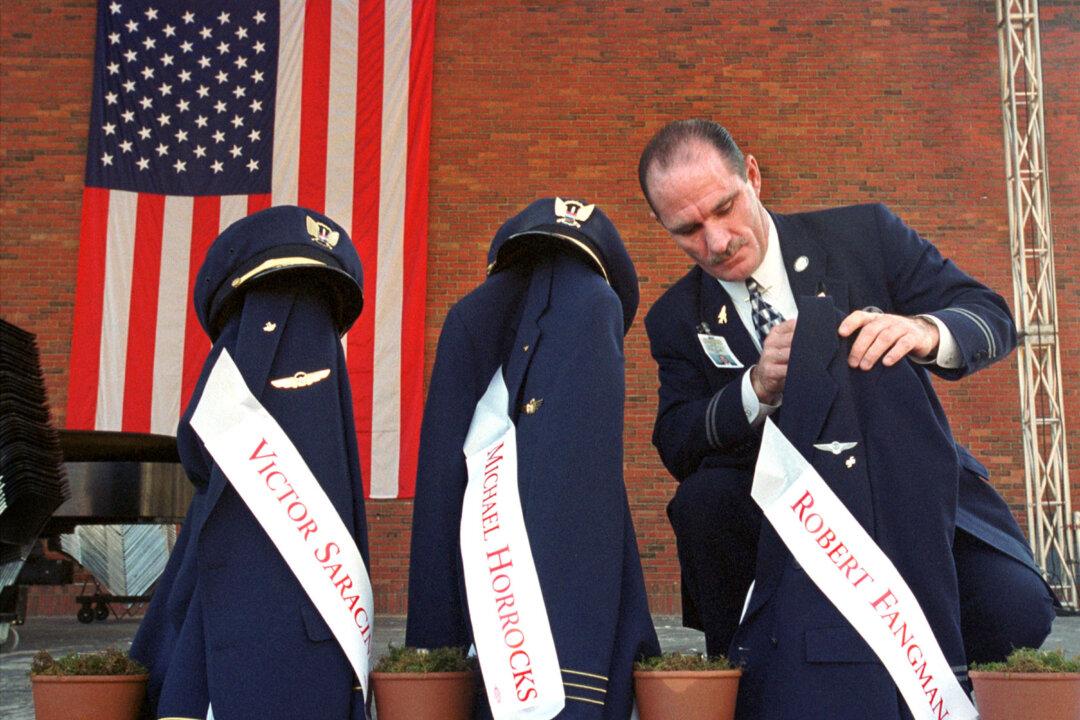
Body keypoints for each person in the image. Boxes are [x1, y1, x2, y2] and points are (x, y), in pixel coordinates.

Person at [638, 120, 1055, 705]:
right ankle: (757, 684)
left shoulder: (865, 233)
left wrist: (921, 332)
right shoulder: (675, 317)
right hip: (777, 522)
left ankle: (930, 686)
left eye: (725, 208)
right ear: (663, 228)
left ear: (753, 176)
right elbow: (677, 440)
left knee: (1016, 613)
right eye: (688, 230)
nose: (716, 242)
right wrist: (755, 387)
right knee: (704, 502)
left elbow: (990, 315)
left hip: (902, 482)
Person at [407, 197, 660, 719]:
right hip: (571, 668)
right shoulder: (596, 306)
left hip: (469, 658)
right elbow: (589, 512)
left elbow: (438, 500)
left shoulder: (471, 319)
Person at [130, 206, 371, 720]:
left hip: (243, 628)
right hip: (317, 630)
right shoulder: (327, 349)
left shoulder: (241, 354)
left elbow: (196, 444)